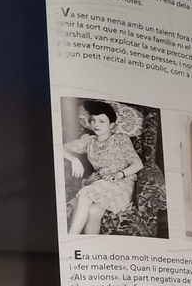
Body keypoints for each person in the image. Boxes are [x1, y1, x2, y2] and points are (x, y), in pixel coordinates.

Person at [61, 100, 143, 235]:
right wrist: (74, 159)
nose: (96, 124)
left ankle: (71, 239)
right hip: (100, 181)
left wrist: (120, 174)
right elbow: (60, 148)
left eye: (102, 121)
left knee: (85, 194)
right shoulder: (89, 141)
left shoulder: (121, 139)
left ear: (112, 124)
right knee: (94, 211)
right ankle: (90, 248)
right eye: (93, 120)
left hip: (121, 182)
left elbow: (138, 164)